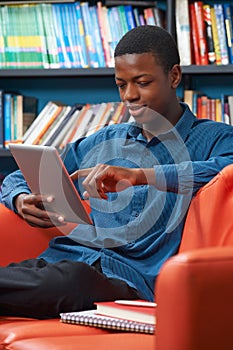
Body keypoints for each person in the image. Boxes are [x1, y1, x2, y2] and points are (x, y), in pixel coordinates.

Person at [1, 25, 233, 319]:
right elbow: (21, 173)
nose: (130, 96)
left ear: (174, 76)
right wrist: (20, 199)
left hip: (126, 281)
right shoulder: (105, 140)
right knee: (40, 277)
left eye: (142, 82)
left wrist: (141, 175)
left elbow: (225, 170)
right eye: (121, 84)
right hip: (66, 259)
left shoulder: (213, 138)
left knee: (72, 282)